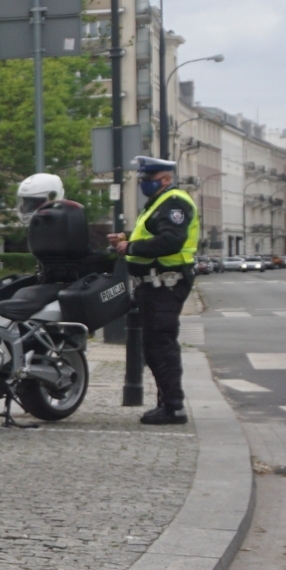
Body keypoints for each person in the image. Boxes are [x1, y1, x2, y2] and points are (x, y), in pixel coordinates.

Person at [108, 156, 197, 425]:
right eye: (142, 180)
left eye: (148, 180)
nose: (143, 184)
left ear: (166, 179)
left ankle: (174, 408)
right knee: (156, 345)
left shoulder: (175, 203)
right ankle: (168, 404)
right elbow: (154, 235)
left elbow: (171, 240)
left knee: (161, 346)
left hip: (166, 282)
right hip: (156, 283)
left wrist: (131, 248)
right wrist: (127, 238)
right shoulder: (159, 203)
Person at [17, 172, 108, 285]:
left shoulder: (68, 222)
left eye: (35, 203)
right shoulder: (41, 225)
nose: (28, 208)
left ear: (53, 197)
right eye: (25, 203)